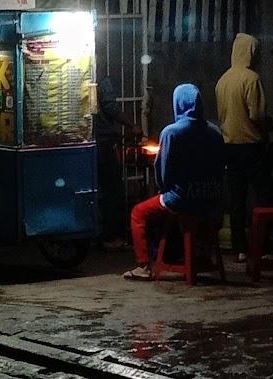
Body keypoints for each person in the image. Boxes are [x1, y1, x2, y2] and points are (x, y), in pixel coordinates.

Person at [123, 83, 225, 280]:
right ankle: (203, 256)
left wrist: (164, 189)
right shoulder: (215, 132)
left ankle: (143, 266)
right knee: (198, 214)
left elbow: (164, 173)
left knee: (138, 213)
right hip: (212, 198)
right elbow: (220, 167)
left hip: (182, 198)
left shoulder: (172, 132)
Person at [215, 32, 273, 263]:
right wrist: (269, 127)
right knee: (265, 196)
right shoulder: (251, 79)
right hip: (252, 146)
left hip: (229, 146)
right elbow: (257, 114)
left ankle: (240, 248)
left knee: (237, 199)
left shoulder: (223, 81)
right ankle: (263, 246)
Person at [94, 76, 143, 250]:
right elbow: (111, 107)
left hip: (90, 142)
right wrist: (132, 125)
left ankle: (101, 232)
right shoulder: (102, 79)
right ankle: (111, 236)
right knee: (113, 189)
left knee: (99, 190)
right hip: (104, 142)